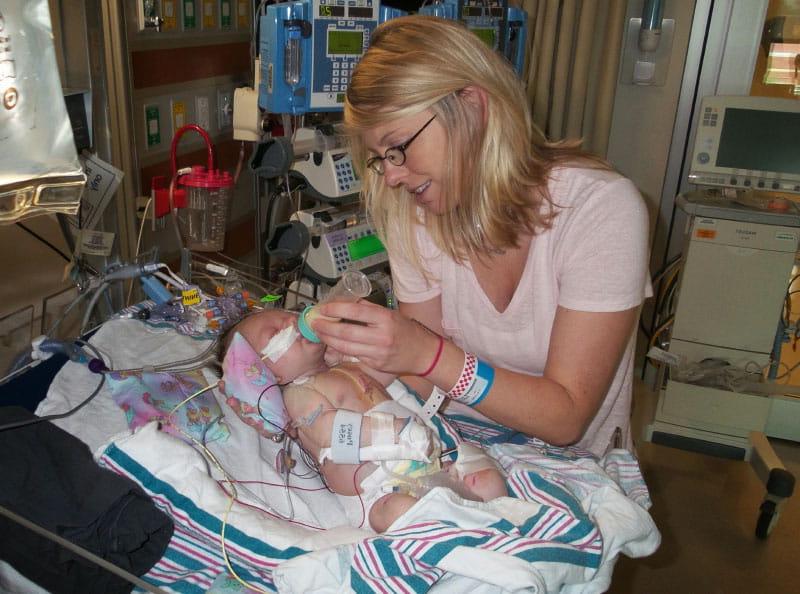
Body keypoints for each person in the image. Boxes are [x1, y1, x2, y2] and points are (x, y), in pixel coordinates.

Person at [309, 15, 653, 458]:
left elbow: (566, 417)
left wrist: (428, 355)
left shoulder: (600, 210)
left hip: (575, 468)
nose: (391, 176)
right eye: (378, 158)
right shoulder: (414, 216)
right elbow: (417, 378)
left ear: (472, 105)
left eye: (398, 147)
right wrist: (342, 374)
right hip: (463, 449)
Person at [221, 308, 508, 533]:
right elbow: (331, 435)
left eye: (288, 315)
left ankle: (476, 518)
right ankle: (449, 527)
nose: (290, 323)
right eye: (274, 332)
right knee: (397, 511)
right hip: (380, 489)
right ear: (271, 376)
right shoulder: (299, 394)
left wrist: (353, 343)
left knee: (487, 479)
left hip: (428, 466)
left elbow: (394, 364)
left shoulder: (346, 368)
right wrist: (390, 432)